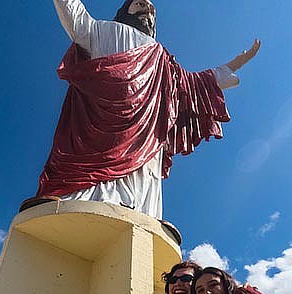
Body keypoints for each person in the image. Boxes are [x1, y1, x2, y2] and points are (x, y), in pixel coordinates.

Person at [33, 0, 260, 219]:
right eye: (140, 4)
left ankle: (139, 210)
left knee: (139, 194)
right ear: (125, 9)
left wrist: (233, 65)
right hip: (98, 127)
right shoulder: (102, 30)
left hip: (146, 134)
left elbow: (191, 84)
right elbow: (75, 17)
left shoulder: (161, 57)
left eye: (151, 9)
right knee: (83, 187)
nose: (147, 10)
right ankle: (76, 195)